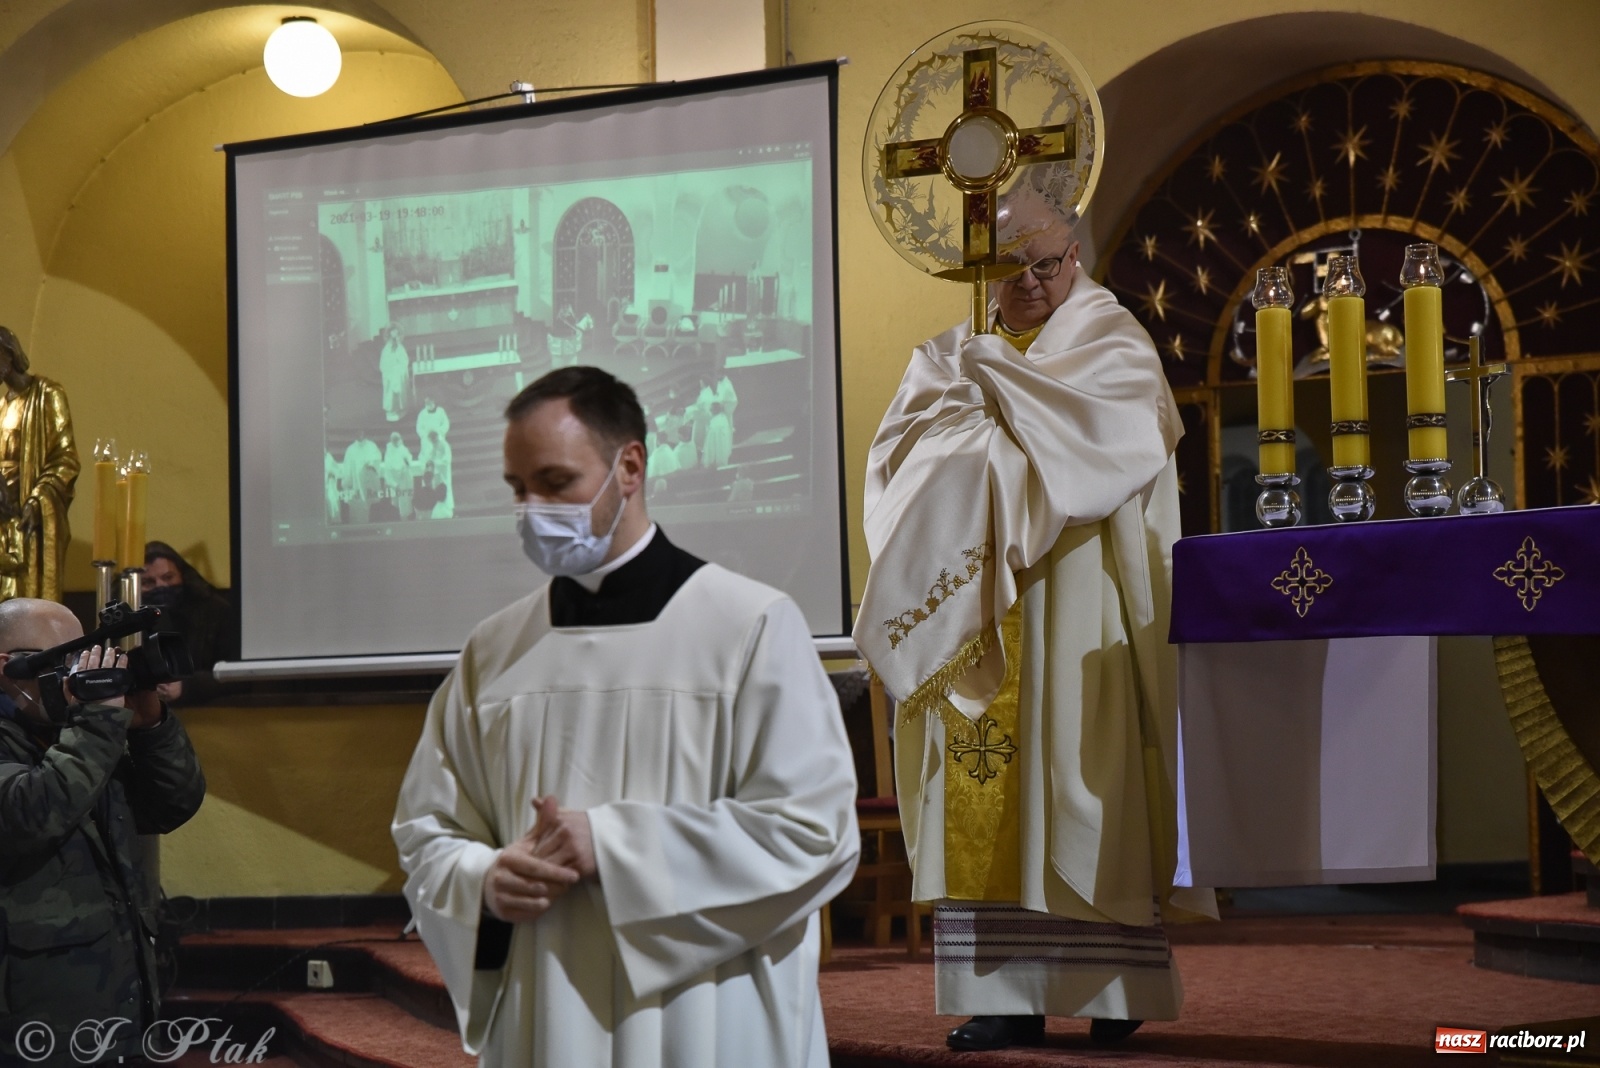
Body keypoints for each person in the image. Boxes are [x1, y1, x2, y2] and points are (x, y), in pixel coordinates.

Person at [393, 365, 858, 1068]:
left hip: (706, 1014)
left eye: (556, 483)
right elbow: (429, 832)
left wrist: (611, 844)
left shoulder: (750, 626)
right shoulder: (493, 652)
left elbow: (814, 833)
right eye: (519, 490)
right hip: (543, 1008)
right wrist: (484, 880)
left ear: (629, 466)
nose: (532, 510)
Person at [854, 174, 1216, 1053]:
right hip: (978, 612)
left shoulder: (1115, 350)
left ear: (1076, 254)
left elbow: (1106, 460)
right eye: (1009, 270)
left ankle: (1112, 990)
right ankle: (1002, 998)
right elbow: (906, 474)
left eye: (1046, 264)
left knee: (1081, 782)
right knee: (982, 795)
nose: (1030, 284)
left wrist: (1000, 435)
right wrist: (993, 427)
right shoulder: (947, 362)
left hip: (1078, 606)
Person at [0, 597, 206, 1065]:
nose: (77, 672)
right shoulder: (81, 733)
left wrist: (150, 723)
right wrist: (96, 720)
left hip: (118, 1005)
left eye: (85, 658)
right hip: (31, 1029)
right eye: (67, 659)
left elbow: (171, 805)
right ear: (8, 667)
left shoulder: (72, 734)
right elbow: (31, 815)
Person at [0, 326, 79, 602]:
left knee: (33, 599)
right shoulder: (1, 406)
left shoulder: (47, 394)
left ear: (9, 355)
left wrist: (37, 500)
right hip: (5, 520)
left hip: (34, 514)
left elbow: (65, 458)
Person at [142, 541, 237, 706]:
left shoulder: (215, 610)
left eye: (168, 577)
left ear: (182, 575)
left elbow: (235, 674)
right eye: (149, 582)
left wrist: (186, 687)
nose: (161, 586)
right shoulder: (129, 617)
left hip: (211, 714)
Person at [418, 429, 453, 519]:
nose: (432, 442)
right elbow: (430, 456)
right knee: (436, 489)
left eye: (433, 440)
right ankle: (437, 507)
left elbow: (446, 459)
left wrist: (436, 462)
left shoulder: (444, 445)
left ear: (435, 438)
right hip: (436, 472)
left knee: (444, 489)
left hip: (443, 472)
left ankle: (446, 509)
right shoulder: (434, 445)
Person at [380, 325, 411, 422]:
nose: (395, 334)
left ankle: (401, 409)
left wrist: (401, 367)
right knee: (391, 391)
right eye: (393, 332)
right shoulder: (387, 348)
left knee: (400, 389)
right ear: (389, 333)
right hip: (390, 372)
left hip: (399, 372)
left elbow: (404, 359)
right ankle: (391, 410)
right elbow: (384, 362)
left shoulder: (400, 346)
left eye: (396, 332)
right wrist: (390, 369)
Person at [384, 431, 417, 519]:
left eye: (397, 439)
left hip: (405, 482)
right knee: (396, 505)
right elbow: (388, 470)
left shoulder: (403, 449)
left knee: (406, 503)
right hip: (395, 482)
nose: (396, 441)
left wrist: (406, 463)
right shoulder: (389, 451)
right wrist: (394, 484)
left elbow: (408, 460)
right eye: (394, 439)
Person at [703, 401, 733, 470]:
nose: (710, 410)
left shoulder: (716, 425)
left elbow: (713, 445)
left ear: (715, 410)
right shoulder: (723, 419)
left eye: (711, 409)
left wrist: (711, 460)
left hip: (716, 460)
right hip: (722, 456)